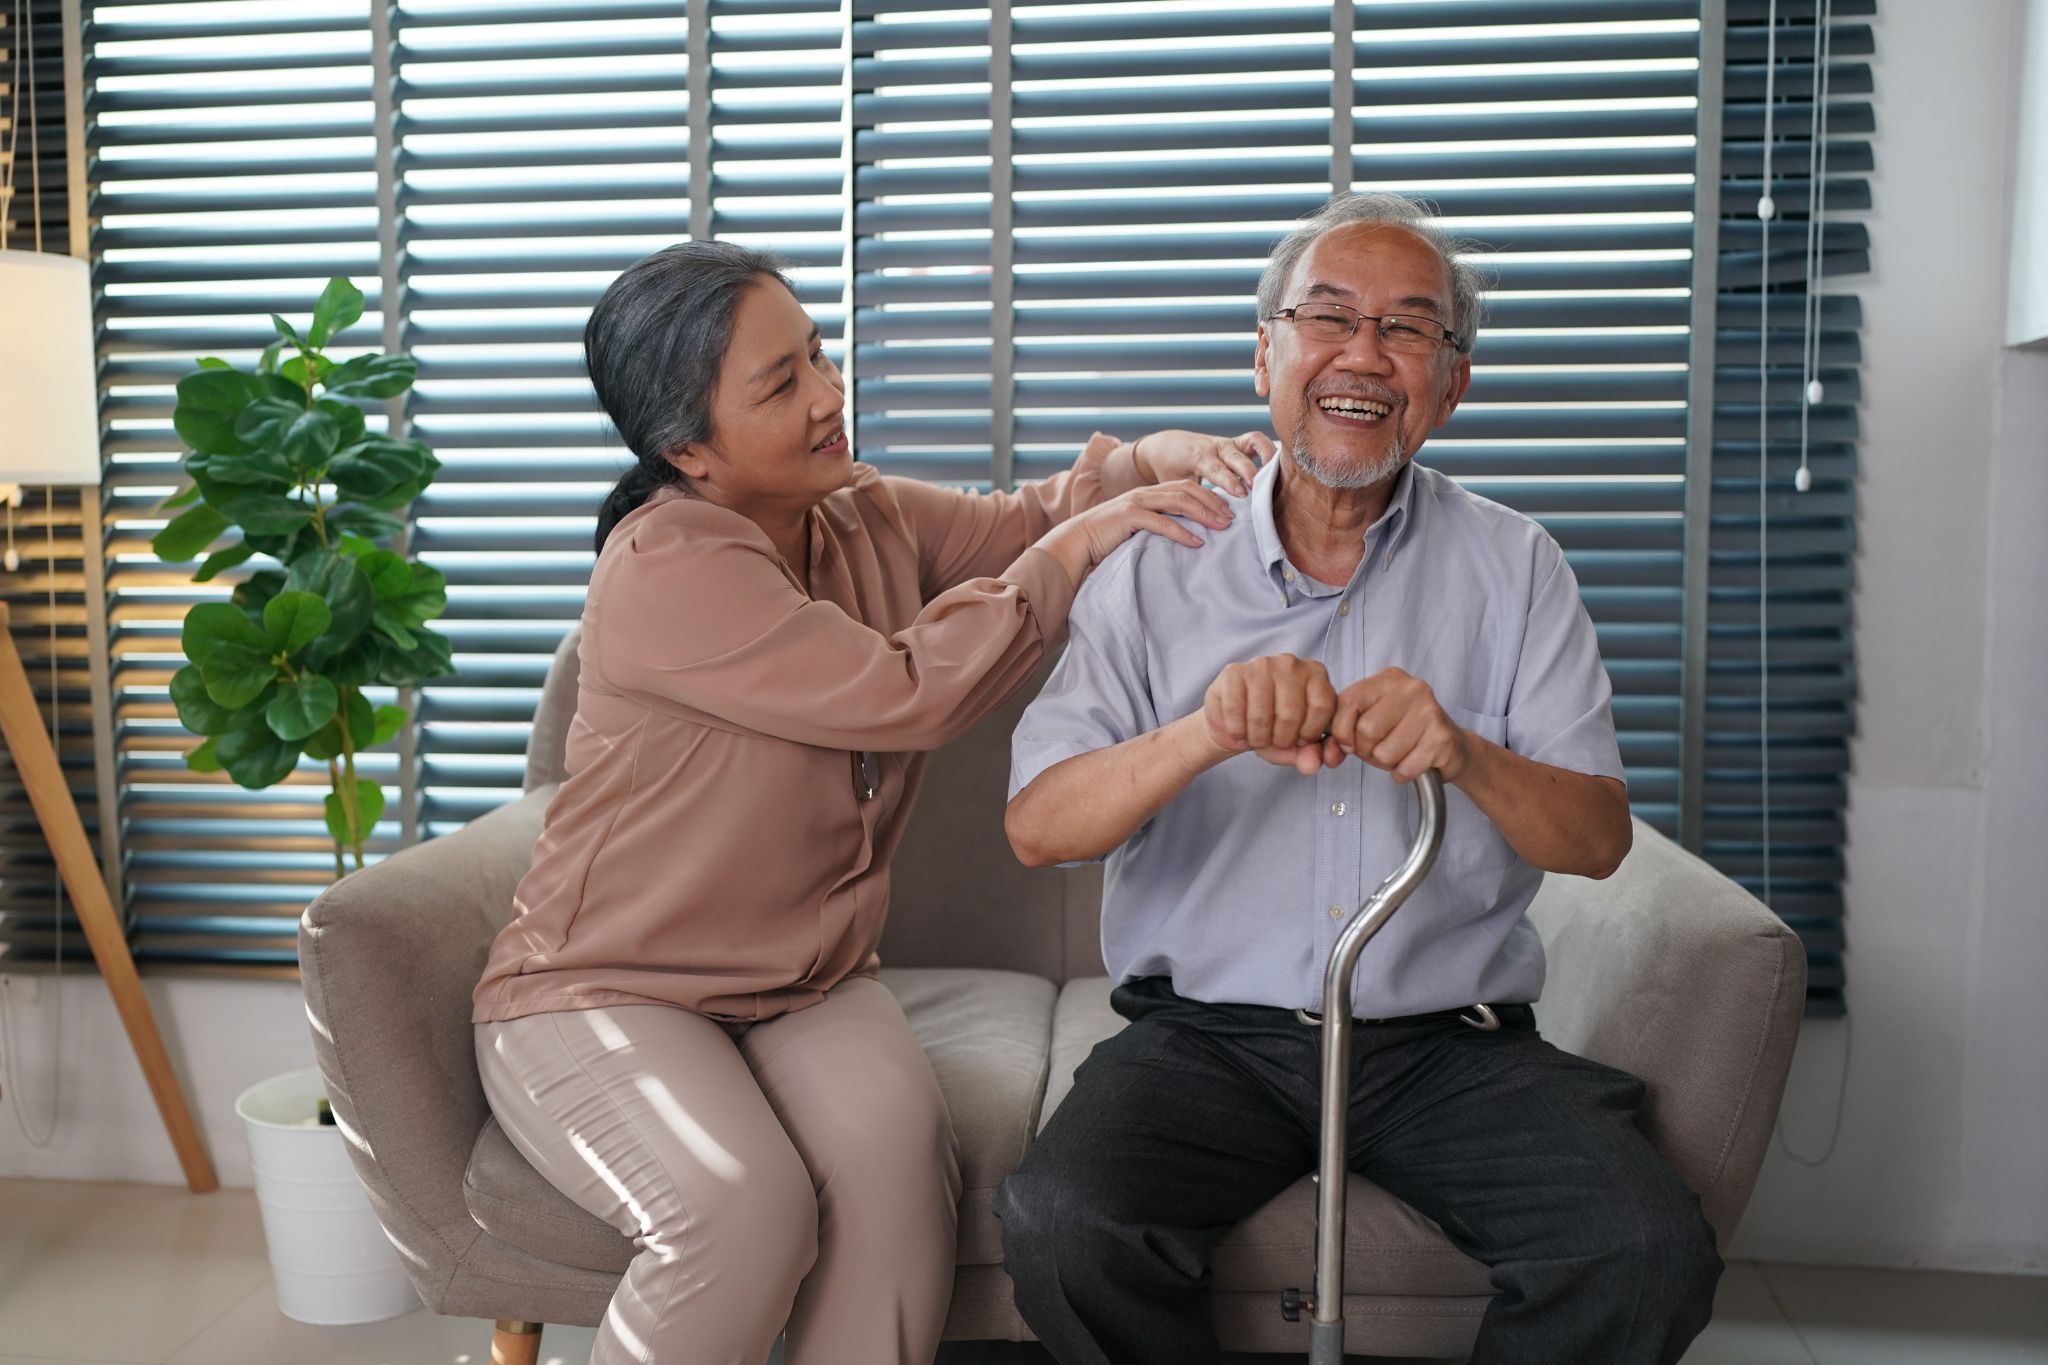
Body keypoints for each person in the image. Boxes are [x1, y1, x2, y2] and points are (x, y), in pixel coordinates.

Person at [470, 239, 1270, 1365]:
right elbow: (906, 691)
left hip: (805, 985)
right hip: (607, 987)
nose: (829, 395)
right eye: (780, 382)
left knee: (901, 1191)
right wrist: (1083, 544)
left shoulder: (855, 510)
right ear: (686, 448)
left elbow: (1017, 522)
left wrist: (1143, 462)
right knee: (741, 1209)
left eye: (816, 355)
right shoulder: (667, 566)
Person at [995, 192, 1723, 1365]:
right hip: (1205, 1040)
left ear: (1451, 384)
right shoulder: (1151, 567)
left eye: (1406, 331)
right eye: (1326, 318)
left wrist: (1465, 753)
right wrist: (1206, 730)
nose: (1361, 356)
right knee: (1065, 1225)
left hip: (1448, 1045)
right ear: (1265, 355)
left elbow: (1592, 842)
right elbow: (1039, 828)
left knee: (1641, 1248)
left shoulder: (1514, 565)